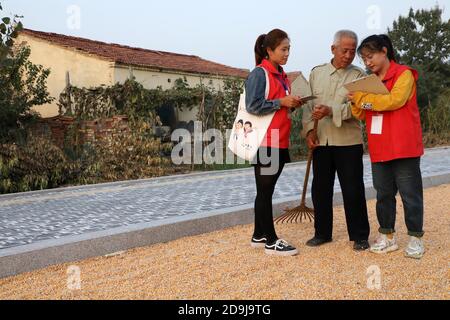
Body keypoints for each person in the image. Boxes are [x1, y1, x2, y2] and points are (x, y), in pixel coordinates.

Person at [349, 34, 425, 259]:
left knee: (410, 195)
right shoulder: (369, 83)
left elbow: (394, 100)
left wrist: (363, 99)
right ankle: (387, 235)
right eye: (364, 59)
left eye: (370, 56)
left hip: (404, 146)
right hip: (379, 147)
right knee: (383, 194)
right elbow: (362, 114)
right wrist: (355, 101)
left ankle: (415, 238)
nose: (367, 62)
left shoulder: (404, 74)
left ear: (384, 51)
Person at [302, 30, 371, 251]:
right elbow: (308, 107)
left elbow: (359, 107)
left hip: (348, 142)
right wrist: (308, 133)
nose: (349, 55)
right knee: (320, 189)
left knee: (353, 189)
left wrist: (332, 110)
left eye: (353, 51)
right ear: (333, 49)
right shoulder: (316, 73)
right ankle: (322, 233)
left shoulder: (359, 76)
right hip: (321, 141)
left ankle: (359, 235)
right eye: (344, 50)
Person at [246, 29, 304, 256]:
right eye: (283, 49)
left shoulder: (281, 74)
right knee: (265, 191)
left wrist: (291, 103)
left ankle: (259, 235)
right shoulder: (260, 74)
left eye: (289, 48)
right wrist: (281, 101)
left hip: (279, 139)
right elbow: (253, 105)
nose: (287, 53)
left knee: (265, 190)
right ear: (269, 51)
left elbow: (276, 103)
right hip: (265, 141)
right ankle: (271, 240)